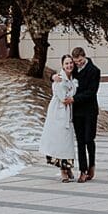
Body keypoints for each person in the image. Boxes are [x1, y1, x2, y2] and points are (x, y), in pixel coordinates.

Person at [38, 54, 77, 182]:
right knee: (60, 142)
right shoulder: (59, 80)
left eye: (71, 63)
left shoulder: (74, 78)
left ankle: (68, 167)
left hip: (68, 115)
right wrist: (72, 97)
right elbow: (64, 99)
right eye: (66, 63)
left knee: (68, 143)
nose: (69, 65)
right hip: (58, 114)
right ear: (62, 65)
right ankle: (63, 170)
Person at [68, 46, 101, 183]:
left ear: (84, 56)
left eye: (80, 60)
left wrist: (75, 98)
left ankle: (91, 164)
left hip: (90, 110)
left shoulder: (94, 71)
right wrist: (54, 77)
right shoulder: (73, 70)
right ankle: (82, 170)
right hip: (77, 111)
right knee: (80, 141)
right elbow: (63, 75)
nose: (78, 63)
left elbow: (92, 91)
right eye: (76, 62)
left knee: (89, 139)